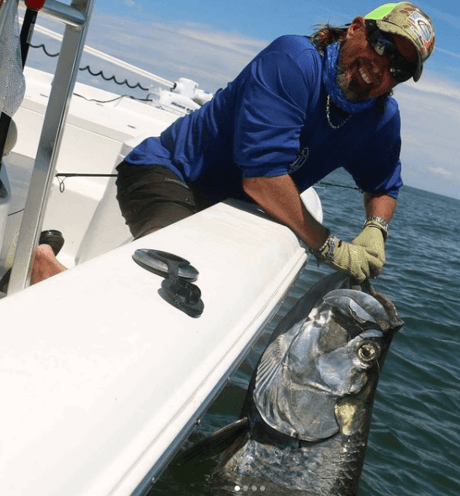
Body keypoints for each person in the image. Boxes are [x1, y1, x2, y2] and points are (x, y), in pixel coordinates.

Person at [22, 2, 435, 287]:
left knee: (201, 285)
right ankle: (47, 267)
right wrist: (327, 245)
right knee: (172, 276)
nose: (382, 65)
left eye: (398, 67)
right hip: (169, 171)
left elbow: (383, 185)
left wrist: (375, 230)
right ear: (358, 28)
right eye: (382, 45)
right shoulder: (294, 61)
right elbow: (262, 178)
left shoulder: (380, 118)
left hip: (230, 205)